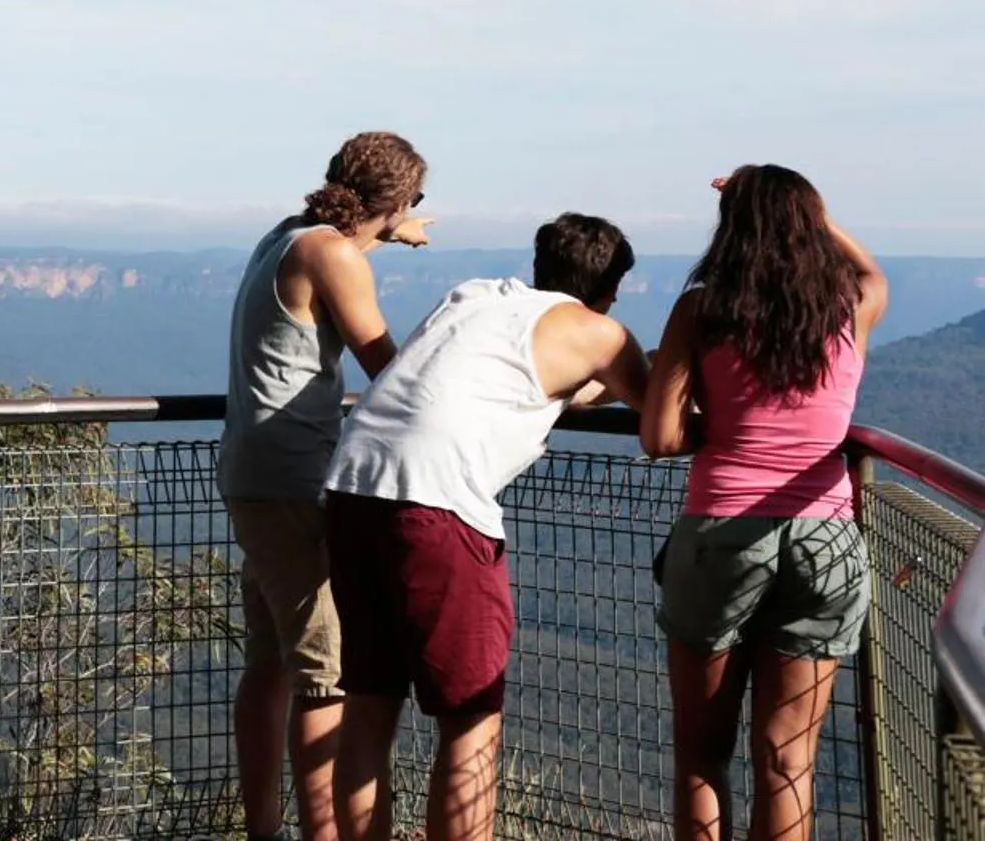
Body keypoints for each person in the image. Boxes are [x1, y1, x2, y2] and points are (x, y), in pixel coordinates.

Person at [324, 213, 652, 841]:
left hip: (353, 488)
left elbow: (545, 382)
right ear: (611, 288)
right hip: (438, 506)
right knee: (471, 723)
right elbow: (663, 416)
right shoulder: (601, 334)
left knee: (369, 706)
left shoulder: (474, 295)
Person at [642, 168, 888, 841]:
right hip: (825, 538)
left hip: (720, 531)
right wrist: (818, 216)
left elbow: (660, 437)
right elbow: (871, 271)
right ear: (812, 227)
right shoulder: (850, 306)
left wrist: (722, 427)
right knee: (788, 761)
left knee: (702, 753)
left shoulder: (701, 310)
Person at [219, 131, 431, 841]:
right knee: (323, 674)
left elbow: (337, 250)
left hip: (256, 473)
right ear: (395, 199)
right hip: (296, 482)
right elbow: (388, 370)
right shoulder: (334, 254)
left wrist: (390, 229)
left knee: (270, 663)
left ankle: (264, 830)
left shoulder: (288, 236)